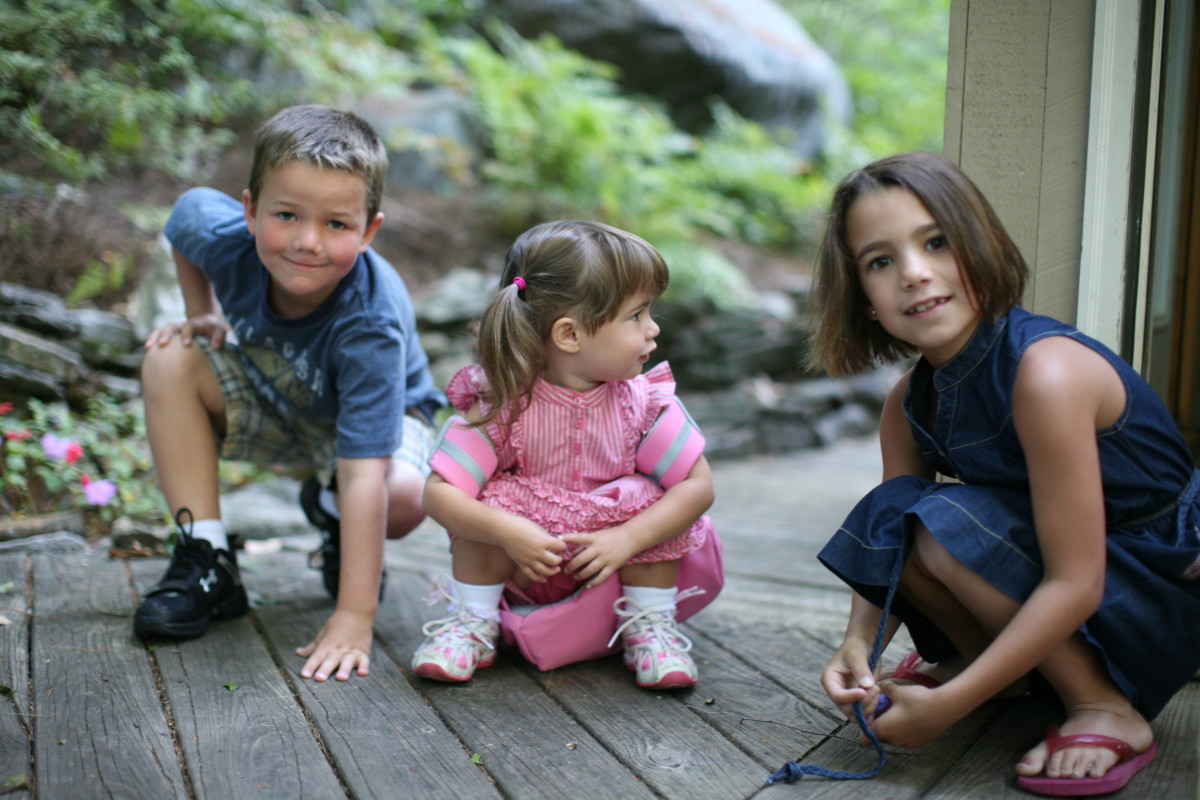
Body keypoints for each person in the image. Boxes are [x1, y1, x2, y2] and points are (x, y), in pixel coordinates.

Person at [808, 151, 1200, 796]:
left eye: (936, 242)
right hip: (1072, 581)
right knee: (900, 511)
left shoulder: (1046, 374)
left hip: (1154, 590)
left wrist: (949, 704)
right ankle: (996, 670)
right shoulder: (908, 404)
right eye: (879, 261)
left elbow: (1077, 581)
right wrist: (859, 642)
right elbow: (887, 531)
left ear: (980, 244)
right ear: (864, 300)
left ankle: (1103, 706)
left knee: (942, 525)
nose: (913, 273)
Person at [134, 104, 445, 683]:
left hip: (377, 429)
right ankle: (207, 557)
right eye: (286, 215)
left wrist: (354, 616)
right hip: (283, 398)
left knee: (401, 495)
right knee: (170, 357)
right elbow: (183, 220)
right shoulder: (223, 236)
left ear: (369, 231)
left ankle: (331, 514)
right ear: (250, 210)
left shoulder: (370, 322)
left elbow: (364, 473)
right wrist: (201, 313)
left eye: (336, 224)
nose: (307, 242)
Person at [412, 220, 717, 689]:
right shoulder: (504, 402)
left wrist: (629, 538)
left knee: (654, 500)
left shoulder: (645, 403)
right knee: (488, 500)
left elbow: (698, 486)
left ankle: (649, 624)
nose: (653, 328)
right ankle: (473, 620)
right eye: (636, 316)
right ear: (569, 334)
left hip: (611, 570)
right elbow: (439, 493)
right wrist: (506, 531)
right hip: (527, 565)